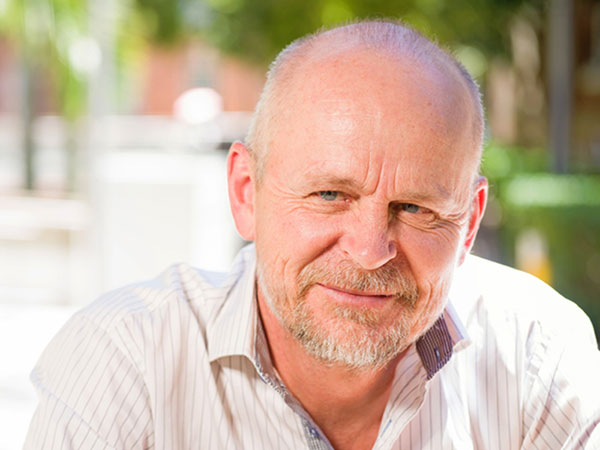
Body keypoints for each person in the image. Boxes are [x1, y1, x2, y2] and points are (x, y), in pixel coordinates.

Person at [25, 20, 599, 450]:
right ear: (246, 193)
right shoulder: (126, 365)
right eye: (330, 195)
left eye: (415, 208)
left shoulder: (538, 357)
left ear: (469, 224)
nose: (370, 251)